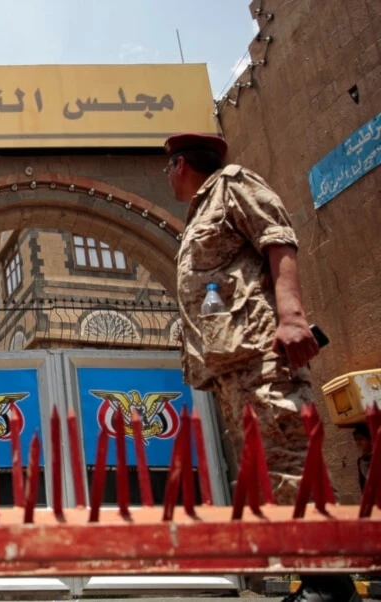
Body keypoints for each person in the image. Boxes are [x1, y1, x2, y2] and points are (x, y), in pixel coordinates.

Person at [166, 132, 360, 602]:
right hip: (232, 365)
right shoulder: (198, 213)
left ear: (180, 165)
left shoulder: (233, 185)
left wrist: (293, 317)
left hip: (261, 354)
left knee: (292, 460)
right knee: (269, 471)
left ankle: (330, 586)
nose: (167, 176)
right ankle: (313, 578)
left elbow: (278, 240)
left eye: (167, 167)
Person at [352, 423, 372, 492]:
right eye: (356, 440)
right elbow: (363, 485)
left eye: (361, 439)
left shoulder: (377, 457)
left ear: (370, 440)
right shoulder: (361, 461)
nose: (358, 442)